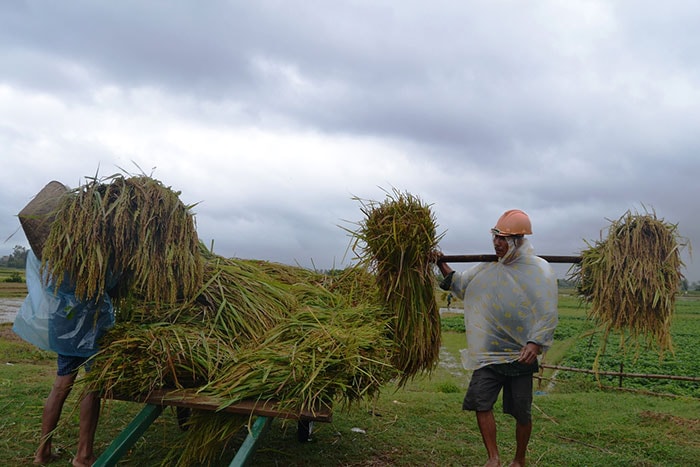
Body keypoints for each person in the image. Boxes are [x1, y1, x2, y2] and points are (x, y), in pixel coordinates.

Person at [434, 209, 558, 467]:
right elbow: (459, 284)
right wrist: (439, 262)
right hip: (489, 353)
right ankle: (493, 457)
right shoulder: (488, 265)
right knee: (481, 402)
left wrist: (535, 343)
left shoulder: (538, 270)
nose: (497, 243)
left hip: (521, 354)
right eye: (495, 237)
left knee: (522, 412)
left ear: (518, 241)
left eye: (503, 239)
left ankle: (519, 459)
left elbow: (547, 311)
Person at [14, 251, 115, 467]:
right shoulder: (97, 244)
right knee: (92, 385)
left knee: (61, 383)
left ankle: (42, 452)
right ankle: (84, 455)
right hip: (93, 320)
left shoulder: (52, 245)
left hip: (63, 319)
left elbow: (47, 281)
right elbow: (112, 281)